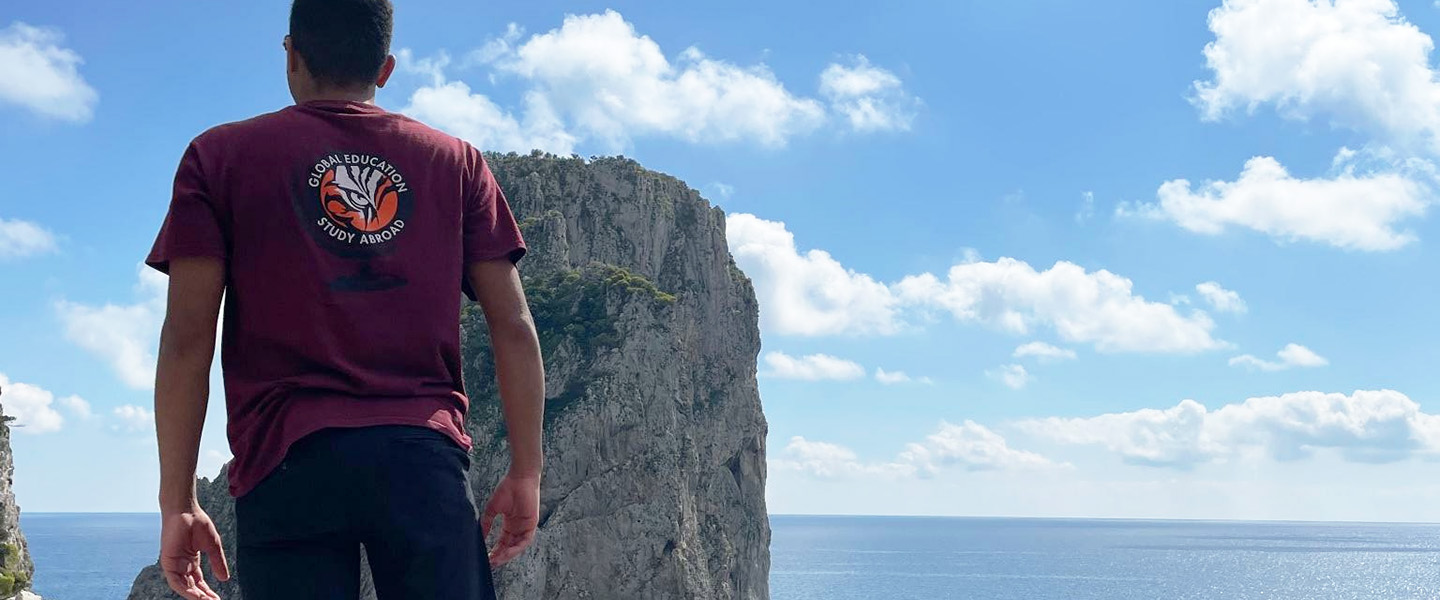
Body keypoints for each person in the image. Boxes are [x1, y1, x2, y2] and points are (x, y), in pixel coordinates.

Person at [147, 0, 546, 598]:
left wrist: (177, 501)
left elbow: (186, 339)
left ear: (291, 54)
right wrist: (526, 471)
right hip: (422, 458)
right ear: (385, 69)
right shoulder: (456, 163)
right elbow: (513, 325)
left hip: (286, 462)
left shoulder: (218, 158)